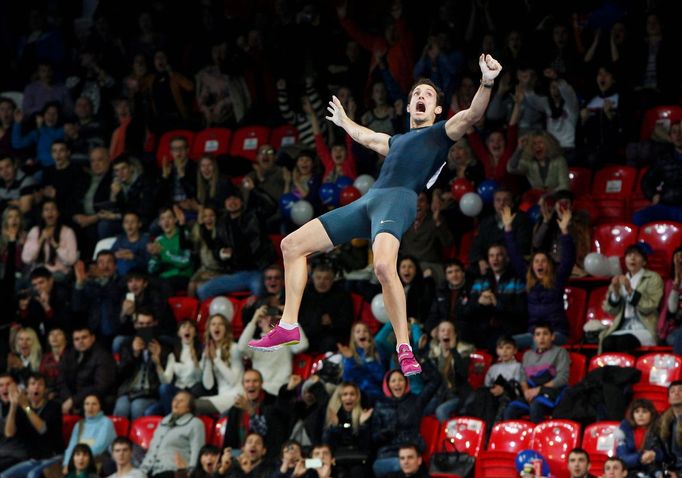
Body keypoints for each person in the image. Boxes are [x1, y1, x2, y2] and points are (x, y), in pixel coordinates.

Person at [248, 55, 503, 378]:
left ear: (438, 109)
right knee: (291, 245)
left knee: (383, 266)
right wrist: (343, 122)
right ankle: (288, 325)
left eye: (428, 96)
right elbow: (367, 137)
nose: (420, 98)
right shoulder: (396, 141)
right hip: (369, 202)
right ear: (409, 107)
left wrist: (487, 81)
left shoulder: (440, 132)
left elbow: (473, 115)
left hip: (399, 200)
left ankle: (404, 347)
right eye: (416, 95)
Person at [503, 205, 575, 349]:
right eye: (536, 261)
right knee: (506, 344)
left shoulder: (557, 279)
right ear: (532, 266)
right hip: (534, 333)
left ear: (549, 265)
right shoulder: (528, 279)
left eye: (543, 261)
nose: (539, 264)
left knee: (539, 344)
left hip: (556, 333)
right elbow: (514, 255)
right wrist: (508, 229)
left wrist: (564, 232)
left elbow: (568, 258)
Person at [371, 366, 441, 477]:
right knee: (402, 466)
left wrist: (420, 363)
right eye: (393, 381)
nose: (397, 384)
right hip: (388, 454)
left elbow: (436, 380)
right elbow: (374, 437)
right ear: (388, 385)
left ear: (406, 383)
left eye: (400, 380)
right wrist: (385, 433)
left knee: (411, 466)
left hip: (411, 450)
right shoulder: (380, 406)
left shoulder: (416, 401)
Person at [600, 244, 663, 354]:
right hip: (623, 327)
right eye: (629, 255)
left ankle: (627, 371)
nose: (632, 258)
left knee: (623, 342)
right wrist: (615, 292)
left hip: (645, 327)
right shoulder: (620, 279)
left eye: (637, 255)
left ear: (644, 262)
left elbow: (651, 306)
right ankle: (610, 371)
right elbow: (610, 311)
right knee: (607, 342)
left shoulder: (653, 278)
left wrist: (630, 291)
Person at [503, 323, 570, 423]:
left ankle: (537, 438)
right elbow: (523, 377)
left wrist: (539, 390)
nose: (541, 338)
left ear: (552, 337)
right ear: (534, 338)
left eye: (545, 334)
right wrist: (526, 391)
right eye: (538, 334)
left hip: (550, 392)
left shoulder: (560, 352)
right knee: (511, 409)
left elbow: (562, 378)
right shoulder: (527, 355)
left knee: (536, 405)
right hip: (530, 393)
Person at [0, 373, 63, 478]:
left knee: (32, 475)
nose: (36, 387)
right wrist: (13, 406)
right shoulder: (20, 408)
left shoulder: (53, 407)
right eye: (32, 384)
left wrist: (26, 407)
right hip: (32, 459)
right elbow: (9, 433)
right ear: (27, 389)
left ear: (45, 389)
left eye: (40, 384)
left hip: (52, 456)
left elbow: (42, 429)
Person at [237, 304, 309, 396]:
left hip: (282, 390)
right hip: (261, 391)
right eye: (265, 317)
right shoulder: (255, 343)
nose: (270, 319)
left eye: (272, 317)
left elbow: (302, 346)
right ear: (259, 323)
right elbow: (241, 348)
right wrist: (254, 319)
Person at [221, 369, 286, 460]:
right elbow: (229, 441)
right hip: (240, 455)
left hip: (266, 456)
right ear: (243, 385)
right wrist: (228, 455)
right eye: (247, 381)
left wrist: (249, 409)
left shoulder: (274, 403)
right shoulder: (235, 409)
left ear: (261, 384)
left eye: (255, 381)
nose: (251, 385)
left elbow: (270, 435)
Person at [114, 310, 167, 420]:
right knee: (121, 408)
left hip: (150, 392)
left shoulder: (164, 345)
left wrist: (158, 358)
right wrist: (134, 354)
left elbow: (166, 379)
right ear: (135, 325)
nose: (145, 327)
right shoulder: (127, 344)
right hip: (129, 391)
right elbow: (120, 374)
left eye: (148, 324)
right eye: (141, 324)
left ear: (155, 323)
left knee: (137, 407)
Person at [141, 390, 205, 478]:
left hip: (173, 471)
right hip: (148, 470)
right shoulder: (163, 422)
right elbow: (152, 449)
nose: (176, 403)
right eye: (175, 399)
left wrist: (191, 473)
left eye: (181, 401)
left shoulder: (195, 423)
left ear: (188, 408)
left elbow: (197, 451)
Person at [469, 188, 532, 276]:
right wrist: (480, 260)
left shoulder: (521, 220)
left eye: (505, 200)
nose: (501, 203)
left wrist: (503, 260)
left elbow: (522, 246)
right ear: (494, 203)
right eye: (498, 200)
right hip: (489, 265)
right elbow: (476, 246)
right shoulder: (486, 222)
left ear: (512, 203)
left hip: (513, 264)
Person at [57, 326, 117, 415]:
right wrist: (68, 399)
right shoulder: (68, 355)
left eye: (84, 337)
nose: (80, 341)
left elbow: (100, 386)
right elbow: (61, 381)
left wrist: (73, 401)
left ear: (93, 338)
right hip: (71, 398)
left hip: (95, 398)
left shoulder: (103, 356)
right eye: (76, 339)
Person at [298, 262, 354, 354]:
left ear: (332, 280)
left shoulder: (342, 296)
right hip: (308, 334)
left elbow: (347, 321)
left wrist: (332, 321)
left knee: (329, 342)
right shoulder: (305, 294)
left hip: (331, 335)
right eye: (318, 278)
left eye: (326, 279)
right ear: (313, 279)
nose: (321, 282)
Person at [421, 321, 471, 423]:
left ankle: (451, 437)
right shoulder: (433, 353)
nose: (446, 333)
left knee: (441, 411)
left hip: (457, 394)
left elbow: (463, 374)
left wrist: (453, 350)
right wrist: (421, 351)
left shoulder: (463, 352)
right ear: (438, 335)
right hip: (440, 394)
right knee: (421, 409)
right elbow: (426, 375)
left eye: (450, 331)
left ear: (455, 335)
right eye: (442, 330)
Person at [72, 252, 126, 345]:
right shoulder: (89, 283)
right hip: (94, 331)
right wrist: (80, 282)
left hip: (116, 331)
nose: (105, 266)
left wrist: (102, 278)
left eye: (109, 262)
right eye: (101, 262)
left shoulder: (122, 282)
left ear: (116, 266)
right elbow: (77, 307)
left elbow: (115, 295)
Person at [151, 319, 201, 416]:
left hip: (192, 392)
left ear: (194, 333)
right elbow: (166, 381)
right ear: (179, 333)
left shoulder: (201, 352)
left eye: (190, 327)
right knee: (149, 412)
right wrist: (158, 364)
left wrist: (195, 360)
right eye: (183, 327)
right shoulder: (173, 355)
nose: (187, 329)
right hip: (177, 392)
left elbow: (199, 379)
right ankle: (171, 417)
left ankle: (171, 420)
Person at [195, 314, 243, 415]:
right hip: (222, 396)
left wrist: (216, 359)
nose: (216, 327)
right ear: (209, 329)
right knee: (190, 402)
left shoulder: (234, 348)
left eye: (220, 324)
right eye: (213, 324)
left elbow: (233, 380)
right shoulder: (208, 351)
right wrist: (208, 360)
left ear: (226, 329)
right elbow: (208, 385)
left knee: (192, 405)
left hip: (236, 394)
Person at [322, 382, 372, 477]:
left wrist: (362, 425)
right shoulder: (332, 416)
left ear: (357, 397)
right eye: (345, 394)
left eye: (352, 394)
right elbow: (326, 445)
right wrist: (335, 426)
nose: (348, 397)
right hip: (337, 460)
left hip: (359, 460)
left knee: (358, 472)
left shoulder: (363, 415)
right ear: (339, 398)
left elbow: (366, 446)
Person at [21, 199, 78, 280]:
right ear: (42, 214)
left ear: (58, 213)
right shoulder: (35, 231)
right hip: (38, 272)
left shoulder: (68, 232)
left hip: (58, 273)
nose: (50, 212)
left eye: (53, 209)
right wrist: (41, 240)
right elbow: (26, 258)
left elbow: (71, 260)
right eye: (46, 210)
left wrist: (55, 244)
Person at [62, 393, 116, 474]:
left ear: (99, 406)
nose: (90, 407)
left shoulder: (106, 422)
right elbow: (72, 446)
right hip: (78, 460)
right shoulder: (79, 424)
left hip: (97, 459)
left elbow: (100, 446)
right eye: (87, 404)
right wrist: (66, 464)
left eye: (94, 404)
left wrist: (80, 460)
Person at [147, 207, 193, 293]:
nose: (166, 221)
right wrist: (156, 256)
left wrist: (163, 253)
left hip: (182, 276)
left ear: (175, 219)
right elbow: (151, 269)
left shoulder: (184, 235)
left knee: (166, 285)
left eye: (169, 217)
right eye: (162, 218)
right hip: (164, 277)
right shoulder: (158, 240)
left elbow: (185, 261)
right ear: (159, 223)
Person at [339, 322, 386, 402]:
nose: (362, 333)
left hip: (374, 394)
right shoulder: (348, 353)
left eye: (365, 331)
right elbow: (347, 380)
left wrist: (368, 356)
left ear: (370, 335)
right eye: (358, 331)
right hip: (355, 396)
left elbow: (380, 377)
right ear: (353, 337)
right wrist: (350, 360)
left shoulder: (377, 352)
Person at [616, 398, 664, 475]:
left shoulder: (659, 430)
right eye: (637, 411)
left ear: (651, 414)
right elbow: (622, 459)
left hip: (653, 470)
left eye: (644, 411)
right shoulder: (624, 430)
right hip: (629, 471)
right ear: (632, 414)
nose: (640, 415)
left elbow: (666, 453)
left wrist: (655, 455)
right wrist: (640, 457)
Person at [110, 211, 151, 277]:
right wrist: (116, 255)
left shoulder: (145, 240)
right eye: (126, 222)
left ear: (139, 224)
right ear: (123, 225)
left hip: (138, 276)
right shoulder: (120, 239)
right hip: (119, 276)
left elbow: (149, 262)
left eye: (133, 222)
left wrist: (133, 257)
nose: (129, 225)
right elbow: (110, 254)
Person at [656, 381, 682, 476]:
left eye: (681, 390)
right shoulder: (662, 422)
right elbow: (658, 452)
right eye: (672, 391)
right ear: (668, 399)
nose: (676, 393)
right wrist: (659, 473)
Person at [38, 328, 67, 398]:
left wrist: (55, 393)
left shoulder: (71, 356)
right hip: (48, 393)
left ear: (66, 339)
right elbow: (40, 376)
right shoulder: (45, 358)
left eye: (58, 334)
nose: (54, 337)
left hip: (65, 394)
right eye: (52, 334)